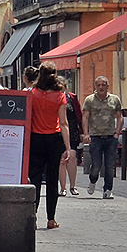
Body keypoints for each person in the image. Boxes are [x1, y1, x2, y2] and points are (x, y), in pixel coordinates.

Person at [27, 64, 71, 228]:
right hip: (54, 139)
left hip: (36, 139)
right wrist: (68, 147)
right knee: (53, 180)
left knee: (35, 179)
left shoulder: (32, 94)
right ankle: (51, 219)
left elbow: (27, 117)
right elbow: (64, 123)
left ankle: (33, 215)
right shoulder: (60, 96)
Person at [82, 75, 122, 199]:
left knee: (110, 165)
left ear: (107, 86)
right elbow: (85, 117)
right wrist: (86, 133)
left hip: (110, 137)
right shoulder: (89, 100)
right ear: (95, 86)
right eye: (99, 85)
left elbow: (119, 117)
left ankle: (108, 189)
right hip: (95, 137)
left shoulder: (114, 100)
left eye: (103, 85)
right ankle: (93, 181)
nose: (101, 87)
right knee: (96, 165)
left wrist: (117, 133)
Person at [60, 87, 84, 194]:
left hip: (72, 130)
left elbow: (79, 115)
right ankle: (63, 188)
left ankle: (73, 186)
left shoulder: (72, 97)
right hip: (58, 131)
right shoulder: (54, 97)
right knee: (61, 158)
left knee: (72, 156)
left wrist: (82, 131)